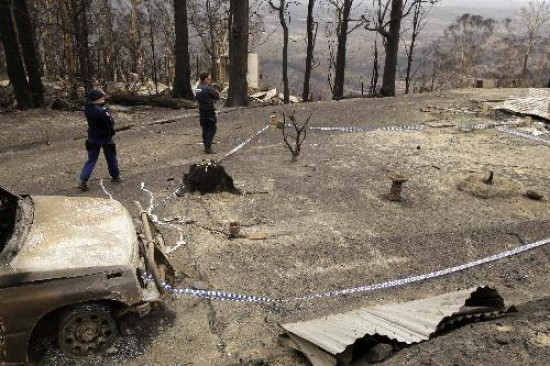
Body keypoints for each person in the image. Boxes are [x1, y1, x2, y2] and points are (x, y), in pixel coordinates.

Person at [77, 89, 122, 191]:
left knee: (91, 159)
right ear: (95, 99)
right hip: (105, 138)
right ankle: (116, 176)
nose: (103, 99)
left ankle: (82, 179)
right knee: (111, 157)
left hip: (92, 137)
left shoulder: (88, 108)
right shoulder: (102, 110)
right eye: (101, 97)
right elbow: (110, 123)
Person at [195, 72, 220, 154]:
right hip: (209, 111)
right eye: (209, 79)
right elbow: (217, 96)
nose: (210, 80)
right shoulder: (208, 88)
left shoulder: (198, 88)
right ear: (205, 79)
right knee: (212, 128)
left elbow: (198, 97)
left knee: (205, 129)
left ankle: (206, 145)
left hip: (202, 111)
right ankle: (208, 146)